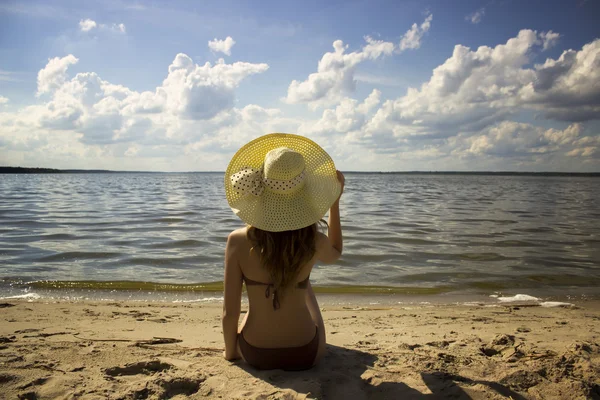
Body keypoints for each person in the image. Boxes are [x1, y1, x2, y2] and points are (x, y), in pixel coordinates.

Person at [222, 133, 344, 370]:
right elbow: (336, 252)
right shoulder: (313, 240)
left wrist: (231, 353)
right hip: (306, 353)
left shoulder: (237, 241)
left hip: (255, 353)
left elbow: (230, 312)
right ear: (305, 193)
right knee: (303, 284)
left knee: (256, 300)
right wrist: (335, 202)